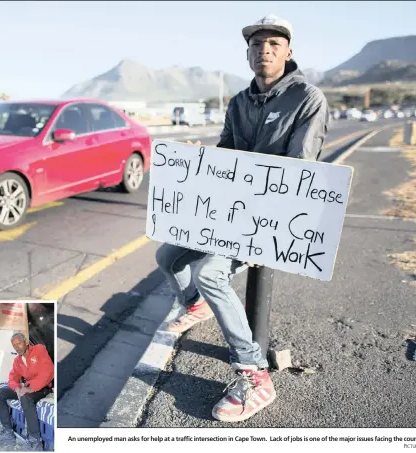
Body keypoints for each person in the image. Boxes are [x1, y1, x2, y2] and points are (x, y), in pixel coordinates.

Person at [155, 14, 329, 423]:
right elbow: (227, 151)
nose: (263, 50)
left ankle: (254, 374)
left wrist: (265, 238)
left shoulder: (307, 98)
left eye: (272, 44)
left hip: (269, 220)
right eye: (255, 45)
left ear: (288, 51)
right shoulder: (239, 101)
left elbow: (301, 169)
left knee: (211, 273)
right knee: (168, 257)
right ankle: (195, 305)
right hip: (230, 212)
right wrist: (198, 161)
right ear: (247, 53)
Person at [0, 333, 54, 450]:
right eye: (14, 345)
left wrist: (30, 388)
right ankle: (8, 432)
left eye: (19, 343)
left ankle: (35, 441)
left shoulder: (39, 349)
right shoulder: (17, 360)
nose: (17, 347)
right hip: (28, 387)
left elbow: (48, 371)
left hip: (43, 387)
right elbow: (12, 378)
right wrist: (17, 388)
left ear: (26, 342)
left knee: (26, 397)